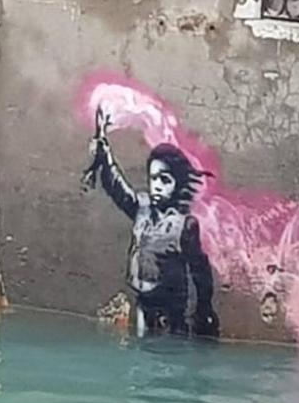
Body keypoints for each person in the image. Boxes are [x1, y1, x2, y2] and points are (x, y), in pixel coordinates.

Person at [83, 107, 219, 338]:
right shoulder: (142, 208)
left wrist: (204, 307)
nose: (157, 186)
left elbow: (200, 270)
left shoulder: (184, 225)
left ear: (177, 185)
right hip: (143, 299)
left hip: (173, 308)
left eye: (165, 180)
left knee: (170, 353)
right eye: (153, 178)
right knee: (143, 347)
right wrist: (102, 145)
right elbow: (117, 187)